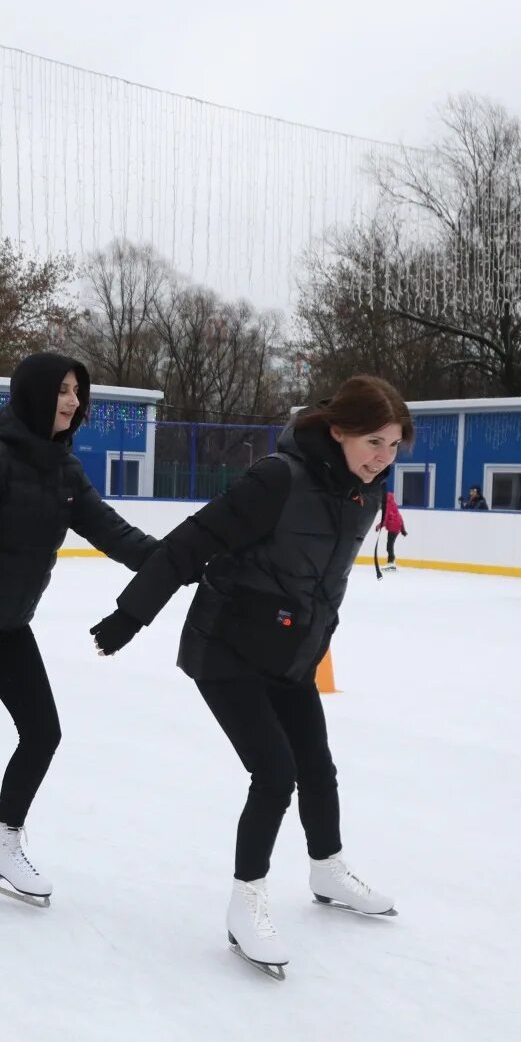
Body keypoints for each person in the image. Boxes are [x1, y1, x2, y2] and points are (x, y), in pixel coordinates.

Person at [90, 375, 409, 979]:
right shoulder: (277, 480)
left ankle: (327, 867)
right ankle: (247, 902)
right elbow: (193, 543)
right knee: (276, 771)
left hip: (291, 651)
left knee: (317, 764)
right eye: (374, 442)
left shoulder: (364, 491)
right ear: (337, 431)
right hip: (228, 648)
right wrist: (132, 614)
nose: (383, 458)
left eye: (394, 446)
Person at [0, 352, 157, 933]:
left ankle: (2, 844)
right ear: (34, 395)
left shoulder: (63, 471)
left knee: (43, 733)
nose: (73, 401)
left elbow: (113, 532)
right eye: (63, 390)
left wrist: (178, 561)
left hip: (11, 623)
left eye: (78, 391)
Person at [375, 490, 406, 570]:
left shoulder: (387, 506)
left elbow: (385, 519)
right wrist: (402, 529)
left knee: (389, 546)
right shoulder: (393, 504)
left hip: (393, 527)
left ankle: (391, 563)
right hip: (397, 526)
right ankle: (391, 562)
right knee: (390, 545)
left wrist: (379, 526)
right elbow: (399, 516)